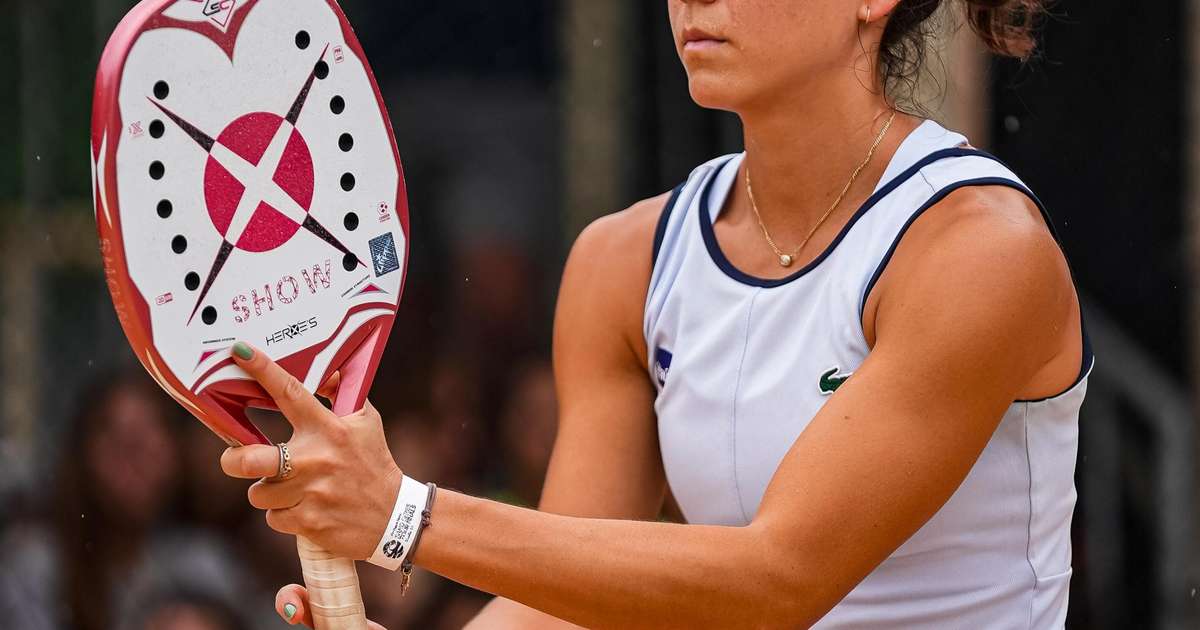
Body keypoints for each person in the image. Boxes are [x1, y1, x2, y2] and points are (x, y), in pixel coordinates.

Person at [219, 0, 1089, 627]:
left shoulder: (980, 252)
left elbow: (777, 581)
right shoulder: (621, 261)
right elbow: (560, 609)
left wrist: (403, 513)